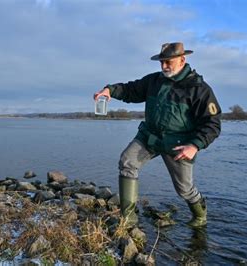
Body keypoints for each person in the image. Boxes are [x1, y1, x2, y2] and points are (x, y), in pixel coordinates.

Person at [94, 42, 221, 228]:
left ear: (182, 60)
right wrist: (110, 90)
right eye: (161, 62)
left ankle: (200, 217)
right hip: (149, 137)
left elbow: (213, 123)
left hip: (179, 145)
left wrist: (194, 145)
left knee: (184, 189)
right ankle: (128, 219)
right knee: (127, 162)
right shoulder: (154, 81)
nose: (163, 66)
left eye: (168, 62)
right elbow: (131, 89)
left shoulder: (199, 89)